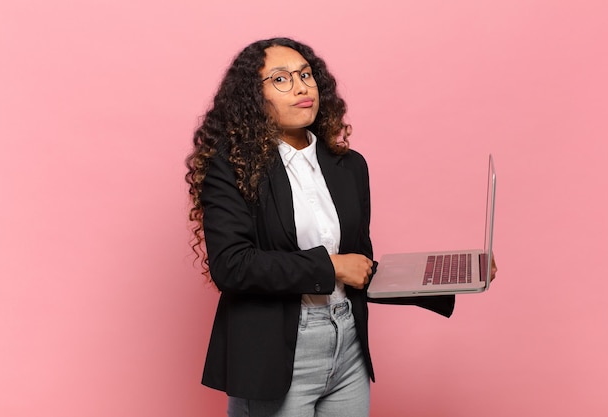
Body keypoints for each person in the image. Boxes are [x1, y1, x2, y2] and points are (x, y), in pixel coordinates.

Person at [185, 37, 496, 417]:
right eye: (281, 79)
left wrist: (449, 279)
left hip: (348, 347)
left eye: (306, 74)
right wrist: (330, 266)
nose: (301, 86)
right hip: (277, 356)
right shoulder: (231, 168)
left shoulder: (348, 166)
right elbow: (232, 266)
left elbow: (358, 266)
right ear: (252, 95)